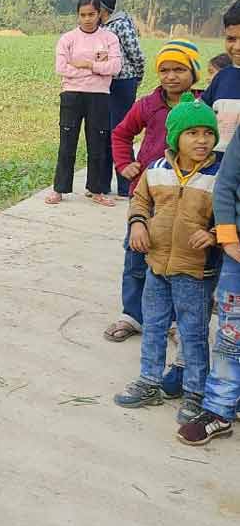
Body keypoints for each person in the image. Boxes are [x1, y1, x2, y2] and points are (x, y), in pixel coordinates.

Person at [113, 97, 220, 423]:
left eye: (207, 133)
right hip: (156, 265)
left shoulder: (220, 175)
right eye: (192, 133)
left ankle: (194, 393)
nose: (201, 140)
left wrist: (214, 234)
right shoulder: (156, 170)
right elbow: (140, 201)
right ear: (175, 137)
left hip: (195, 270)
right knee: (155, 326)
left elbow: (234, 213)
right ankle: (149, 381)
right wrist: (138, 224)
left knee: (192, 331)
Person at [104, 41, 202, 344]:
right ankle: (133, 315)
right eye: (164, 70)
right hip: (147, 195)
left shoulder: (202, 105)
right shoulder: (148, 104)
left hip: (187, 196)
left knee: (178, 257)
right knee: (136, 255)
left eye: (179, 69)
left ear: (194, 73)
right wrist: (125, 164)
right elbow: (121, 133)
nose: (171, 76)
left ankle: (173, 320)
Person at [177, 107, 240, 445]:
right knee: (232, 333)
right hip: (237, 252)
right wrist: (227, 234)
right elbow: (227, 183)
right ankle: (219, 408)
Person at [47, 0, 122, 206]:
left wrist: (86, 65)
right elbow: (62, 69)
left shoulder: (109, 39)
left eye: (92, 14)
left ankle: (96, 190)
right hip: (71, 95)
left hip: (99, 97)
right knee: (67, 143)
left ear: (99, 14)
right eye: (83, 15)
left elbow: (115, 68)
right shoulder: (67, 39)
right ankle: (59, 190)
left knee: (97, 143)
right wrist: (97, 71)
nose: (87, 19)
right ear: (77, 16)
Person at [94, 0, 145, 198]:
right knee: (104, 132)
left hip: (123, 83)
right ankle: (102, 184)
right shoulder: (100, 28)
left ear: (103, 8)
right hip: (105, 85)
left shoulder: (121, 25)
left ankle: (126, 187)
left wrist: (136, 78)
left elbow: (136, 54)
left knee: (120, 132)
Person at [202, 1, 240, 158]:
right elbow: (199, 117)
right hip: (216, 174)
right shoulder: (222, 78)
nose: (237, 47)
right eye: (231, 39)